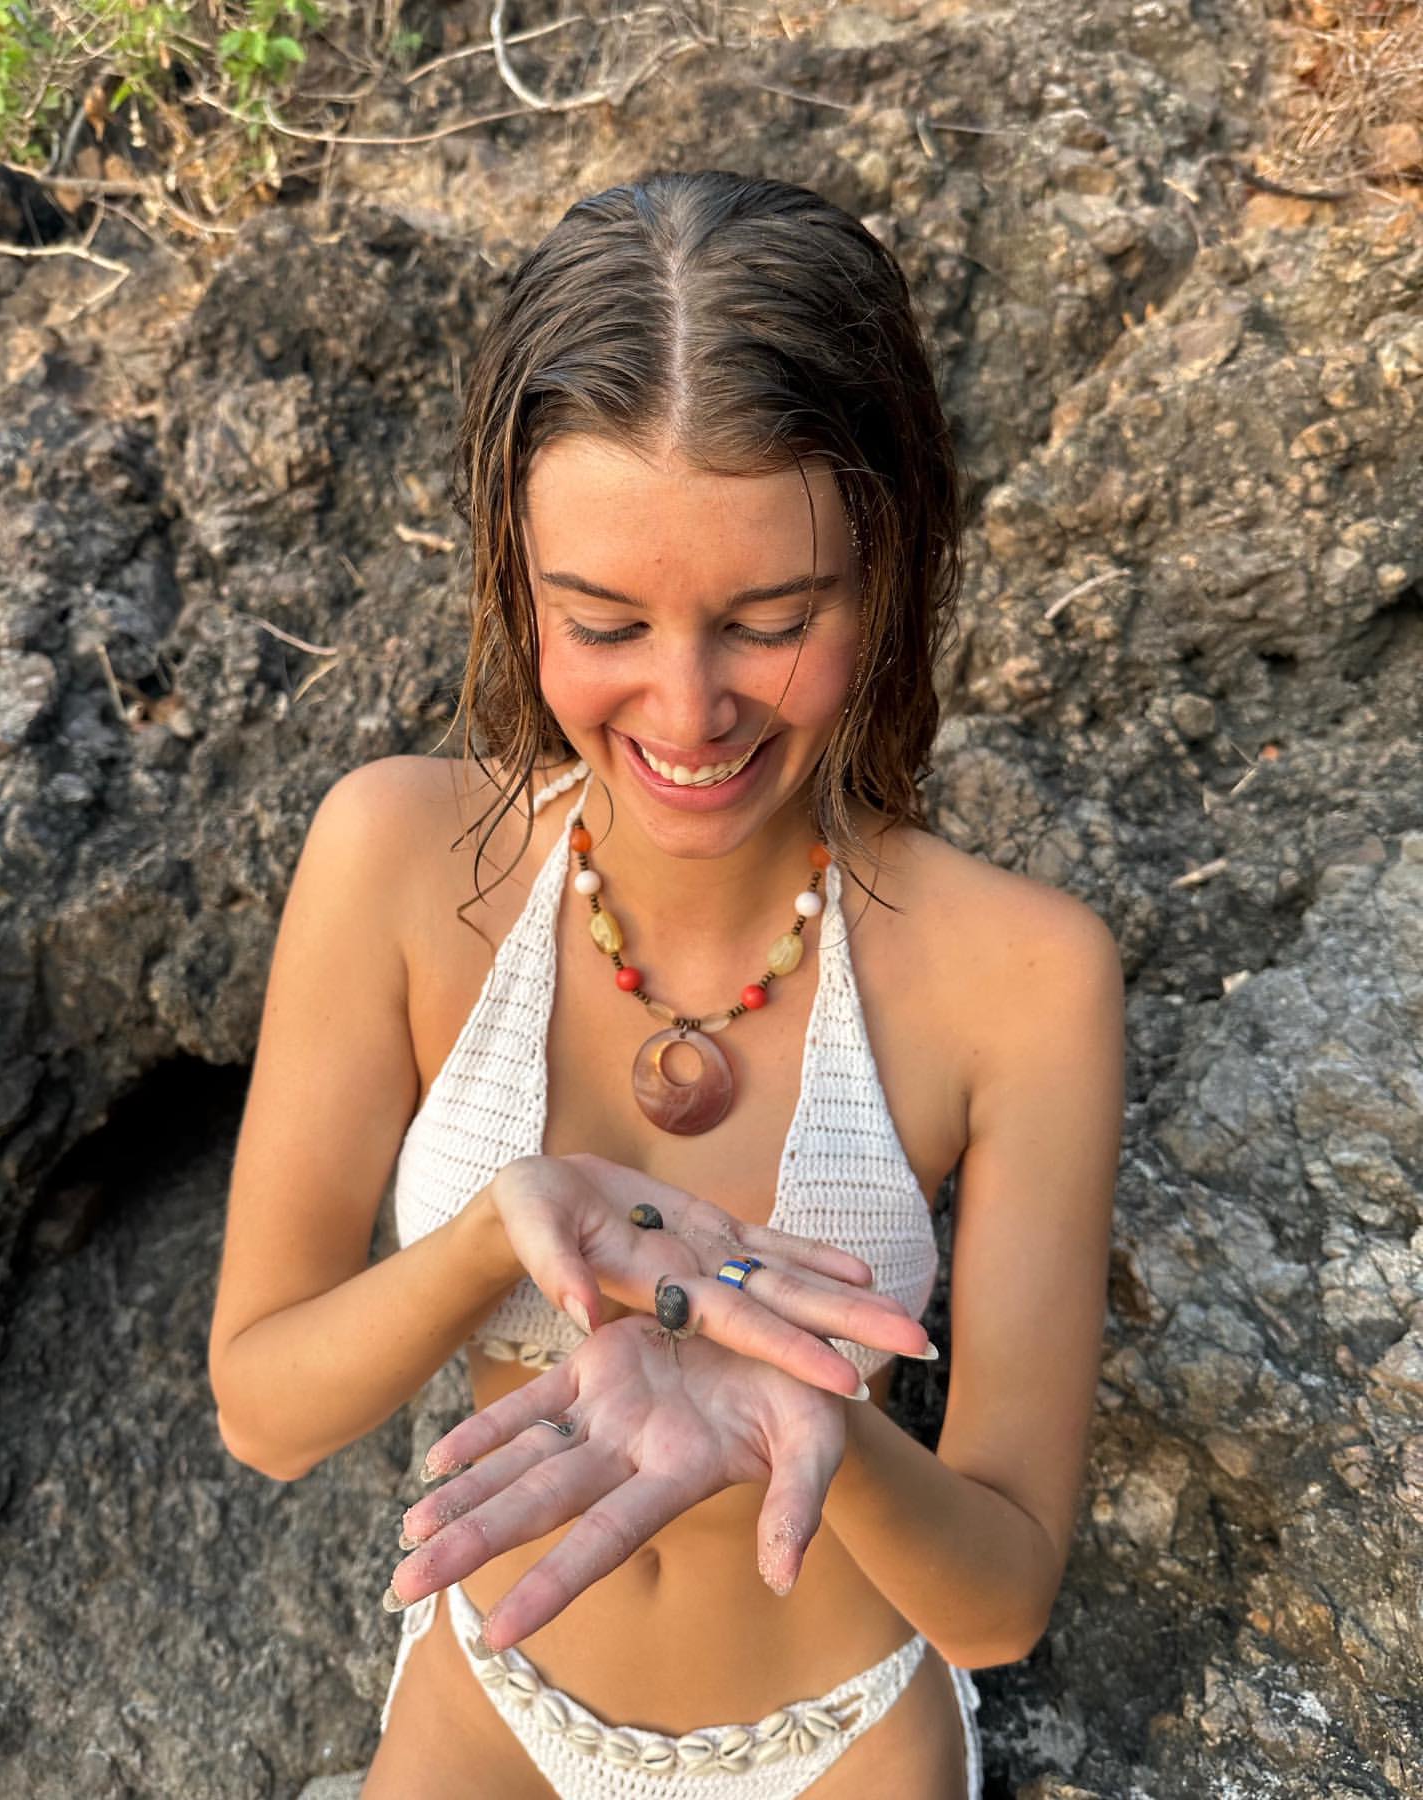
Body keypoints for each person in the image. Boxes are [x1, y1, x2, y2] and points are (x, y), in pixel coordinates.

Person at [208, 170, 1126, 1799]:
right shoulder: (398, 861)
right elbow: (267, 1411)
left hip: (840, 1737)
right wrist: (505, 1225)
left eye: (772, 618)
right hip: (492, 1708)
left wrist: (812, 1424)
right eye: (605, 620)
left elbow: (996, 1603)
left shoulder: (1023, 977)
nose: (687, 711)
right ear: (513, 573)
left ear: (888, 570)